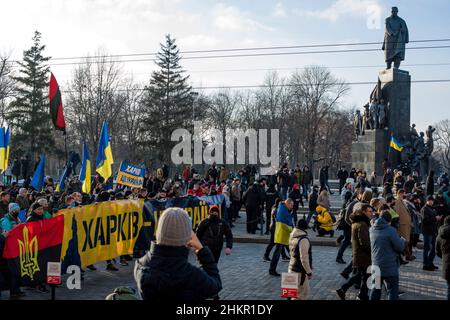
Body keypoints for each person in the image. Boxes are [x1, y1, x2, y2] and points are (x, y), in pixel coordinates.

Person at [134, 208, 221, 301]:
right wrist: (201, 250)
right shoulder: (191, 275)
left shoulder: (140, 264)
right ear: (188, 237)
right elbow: (216, 285)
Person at [336, 204, 373, 300]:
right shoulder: (362, 224)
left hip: (359, 255)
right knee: (366, 276)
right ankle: (362, 296)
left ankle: (344, 290)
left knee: (361, 275)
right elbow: (364, 243)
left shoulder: (358, 222)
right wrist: (372, 253)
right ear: (364, 212)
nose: (371, 213)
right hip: (363, 256)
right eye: (369, 211)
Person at [369, 211, 406, 300]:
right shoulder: (391, 230)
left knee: (375, 288)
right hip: (390, 266)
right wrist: (402, 241)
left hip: (376, 264)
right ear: (389, 221)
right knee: (392, 290)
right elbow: (400, 247)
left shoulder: (371, 229)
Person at [288, 219, 312, 300]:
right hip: (299, 272)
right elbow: (304, 258)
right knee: (302, 295)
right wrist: (309, 272)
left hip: (290, 269)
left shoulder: (292, 236)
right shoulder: (303, 239)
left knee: (291, 295)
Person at [269, 198, 294, 276]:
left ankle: (272, 269)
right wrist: (292, 230)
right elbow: (284, 224)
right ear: (287, 203)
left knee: (291, 252)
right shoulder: (283, 211)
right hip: (281, 235)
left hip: (283, 235)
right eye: (291, 205)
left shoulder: (283, 209)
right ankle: (272, 270)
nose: (292, 206)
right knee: (277, 254)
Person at [421, 196, 440, 271]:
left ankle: (430, 262)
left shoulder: (432, 208)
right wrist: (435, 218)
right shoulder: (424, 209)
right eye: (430, 200)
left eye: (432, 200)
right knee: (427, 248)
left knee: (433, 249)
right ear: (427, 201)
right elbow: (425, 220)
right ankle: (425, 264)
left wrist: (437, 218)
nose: (431, 201)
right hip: (427, 231)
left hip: (433, 231)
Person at [394, 189, 413, 260]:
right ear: (399, 194)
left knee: (406, 241)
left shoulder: (401, 201)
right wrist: (398, 222)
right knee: (404, 241)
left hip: (405, 224)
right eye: (403, 194)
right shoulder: (397, 201)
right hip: (402, 224)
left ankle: (407, 255)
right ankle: (406, 255)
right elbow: (397, 212)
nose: (403, 195)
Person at [436, 215, 450, 300]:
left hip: (447, 265)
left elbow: (437, 251)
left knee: (449, 289)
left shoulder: (440, 235)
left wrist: (445, 257)